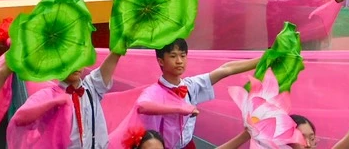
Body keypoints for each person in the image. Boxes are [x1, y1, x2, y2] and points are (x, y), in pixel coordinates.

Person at [108, 39, 260, 149]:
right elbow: (142, 106)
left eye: (183, 55)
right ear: (161, 61)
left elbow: (226, 69)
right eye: (173, 56)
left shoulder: (190, 85)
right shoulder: (154, 92)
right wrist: (181, 108)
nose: (179, 61)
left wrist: (265, 59)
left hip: (188, 146)